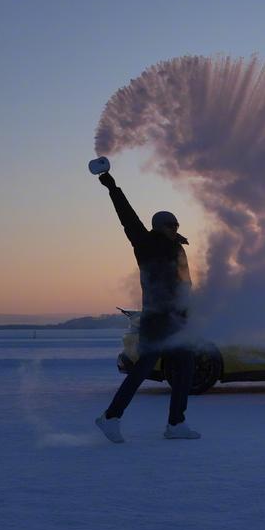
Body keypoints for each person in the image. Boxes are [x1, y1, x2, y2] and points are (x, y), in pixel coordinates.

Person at [94, 170, 200, 442]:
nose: (174, 228)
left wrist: (189, 313)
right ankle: (110, 417)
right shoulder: (145, 243)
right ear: (157, 226)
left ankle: (176, 424)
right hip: (156, 320)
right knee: (142, 370)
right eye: (169, 225)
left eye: (176, 225)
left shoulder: (177, 248)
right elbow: (126, 216)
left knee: (185, 368)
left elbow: (186, 286)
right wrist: (112, 186)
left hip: (177, 320)